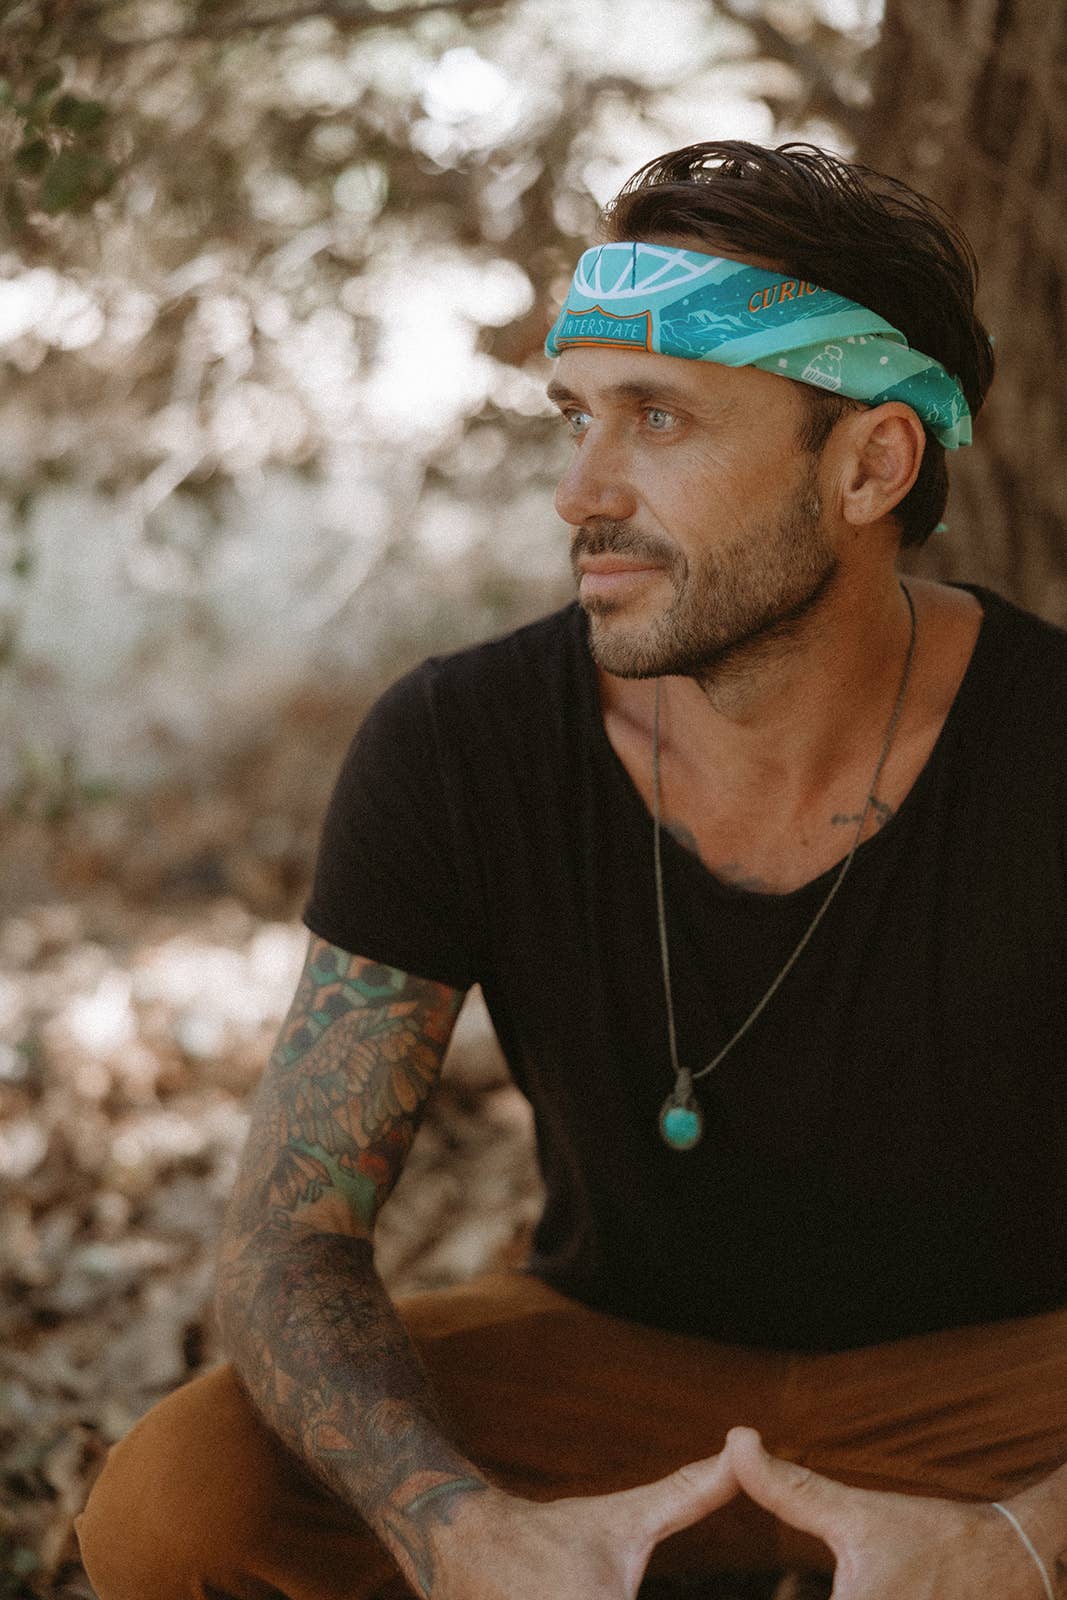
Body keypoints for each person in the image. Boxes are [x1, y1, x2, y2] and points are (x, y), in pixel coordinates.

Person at [75, 140, 1067, 1600]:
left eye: (658, 418)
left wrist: (1026, 1543)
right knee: (177, 1505)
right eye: (576, 418)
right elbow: (288, 1246)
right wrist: (460, 1534)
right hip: (608, 1376)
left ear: (869, 464)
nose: (580, 491)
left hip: (1006, 1395)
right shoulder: (458, 743)